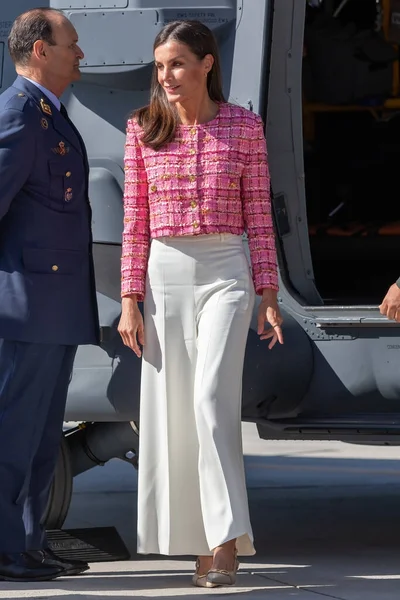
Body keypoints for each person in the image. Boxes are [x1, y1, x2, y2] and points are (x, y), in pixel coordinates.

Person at [118, 19, 283, 588]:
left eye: (178, 64)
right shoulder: (142, 128)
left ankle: (225, 541)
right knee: (173, 414)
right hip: (163, 274)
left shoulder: (243, 126)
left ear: (207, 64)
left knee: (212, 401)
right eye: (160, 66)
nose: (166, 76)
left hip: (226, 273)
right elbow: (134, 222)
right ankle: (198, 540)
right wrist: (129, 299)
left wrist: (268, 290)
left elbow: (259, 213)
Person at [0, 8, 99, 582]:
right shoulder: (19, 115)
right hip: (27, 306)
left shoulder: (50, 117)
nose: (79, 54)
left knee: (40, 437)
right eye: (71, 44)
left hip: (54, 307)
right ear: (41, 50)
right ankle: (5, 546)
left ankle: (29, 541)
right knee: (13, 434)